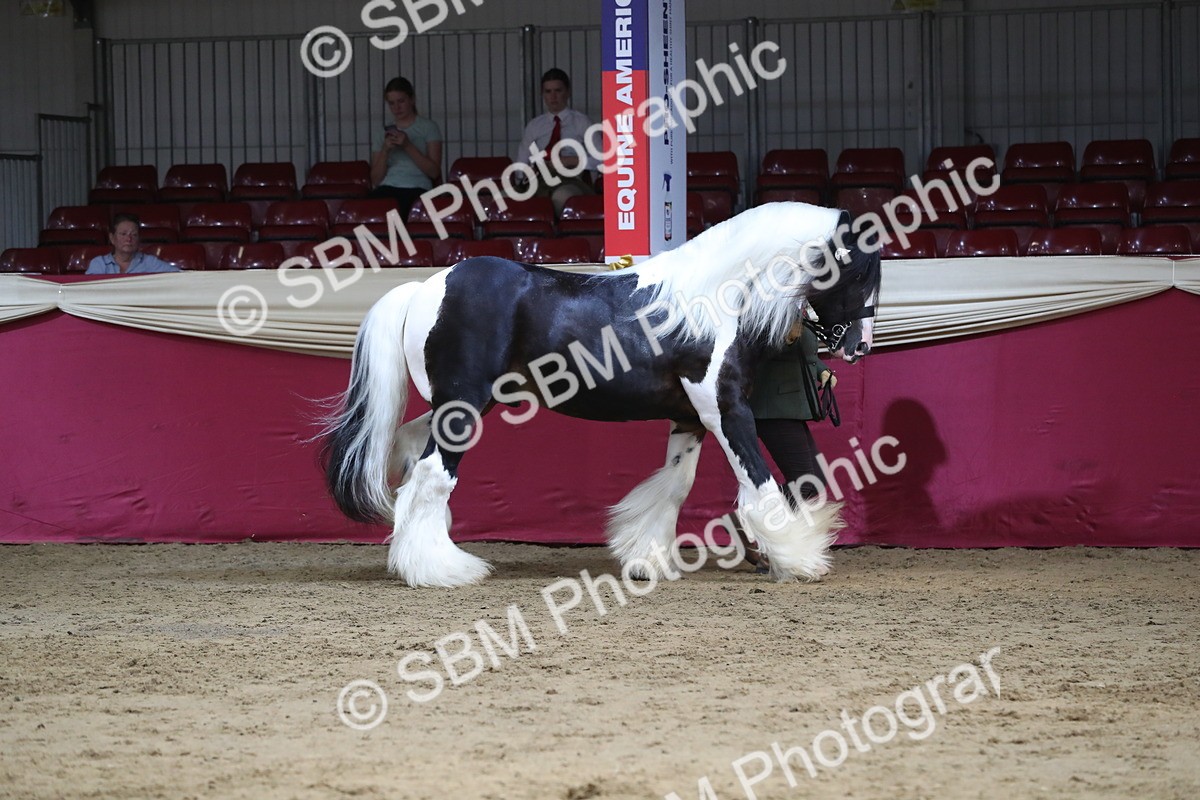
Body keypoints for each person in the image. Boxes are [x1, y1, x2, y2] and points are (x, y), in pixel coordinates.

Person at [738, 319, 837, 572]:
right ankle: (759, 530)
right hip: (772, 407)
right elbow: (754, 353)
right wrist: (785, 339)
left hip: (790, 406)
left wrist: (821, 370)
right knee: (806, 480)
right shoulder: (769, 312)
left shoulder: (799, 309)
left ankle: (756, 522)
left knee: (816, 477)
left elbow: (805, 356)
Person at [516, 68, 597, 215]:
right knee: (503, 198)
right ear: (543, 95)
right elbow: (521, 165)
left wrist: (571, 161)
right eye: (548, 92)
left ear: (567, 92)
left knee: (561, 197)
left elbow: (602, 160)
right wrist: (526, 173)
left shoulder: (582, 122)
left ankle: (556, 236)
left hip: (572, 179)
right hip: (539, 179)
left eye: (558, 91)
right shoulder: (534, 126)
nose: (553, 97)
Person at [369, 77, 443, 219]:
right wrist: (385, 150)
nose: (396, 108)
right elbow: (376, 180)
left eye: (401, 101)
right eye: (392, 103)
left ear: (412, 99)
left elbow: (434, 172)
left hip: (417, 188)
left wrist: (408, 146)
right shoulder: (382, 133)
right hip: (387, 188)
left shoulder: (429, 127)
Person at [85, 213, 180, 275]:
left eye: (134, 234)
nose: (129, 239)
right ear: (112, 238)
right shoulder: (99, 263)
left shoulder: (149, 262)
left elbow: (179, 276)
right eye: (123, 234)